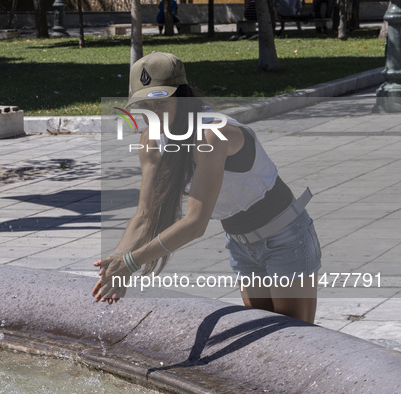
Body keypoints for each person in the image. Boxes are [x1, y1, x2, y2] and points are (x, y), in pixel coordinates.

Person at [92, 52, 321, 324]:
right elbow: (144, 215)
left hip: (285, 237)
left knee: (294, 336)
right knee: (263, 337)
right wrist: (117, 263)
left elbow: (195, 223)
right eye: (143, 106)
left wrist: (131, 263)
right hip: (240, 243)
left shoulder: (212, 134)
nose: (152, 115)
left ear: (183, 97)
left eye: (160, 103)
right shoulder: (151, 141)